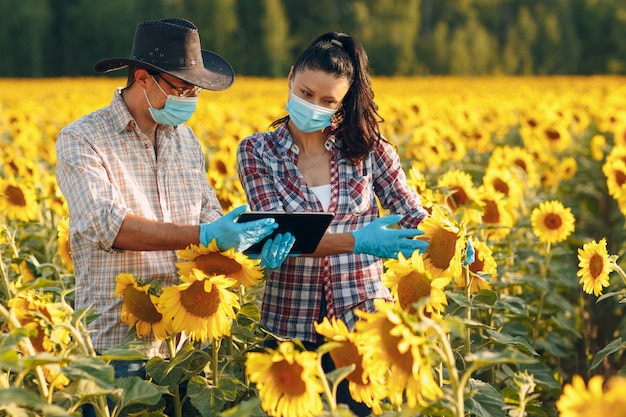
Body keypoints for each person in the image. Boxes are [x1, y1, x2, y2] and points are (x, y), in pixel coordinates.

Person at [55, 17, 293, 416]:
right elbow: (105, 224)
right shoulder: (83, 139)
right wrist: (203, 233)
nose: (189, 98)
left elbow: (210, 224)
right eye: (181, 88)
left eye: (194, 90)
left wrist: (246, 255)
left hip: (186, 350)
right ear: (143, 79)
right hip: (118, 351)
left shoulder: (185, 141)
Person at [236, 32, 429, 415]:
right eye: (306, 93)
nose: (313, 106)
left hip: (363, 323)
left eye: (327, 101)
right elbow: (284, 232)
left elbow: (410, 213)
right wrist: (358, 240)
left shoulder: (368, 149)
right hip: (290, 324)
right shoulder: (257, 152)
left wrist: (448, 239)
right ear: (290, 78)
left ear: (342, 104)